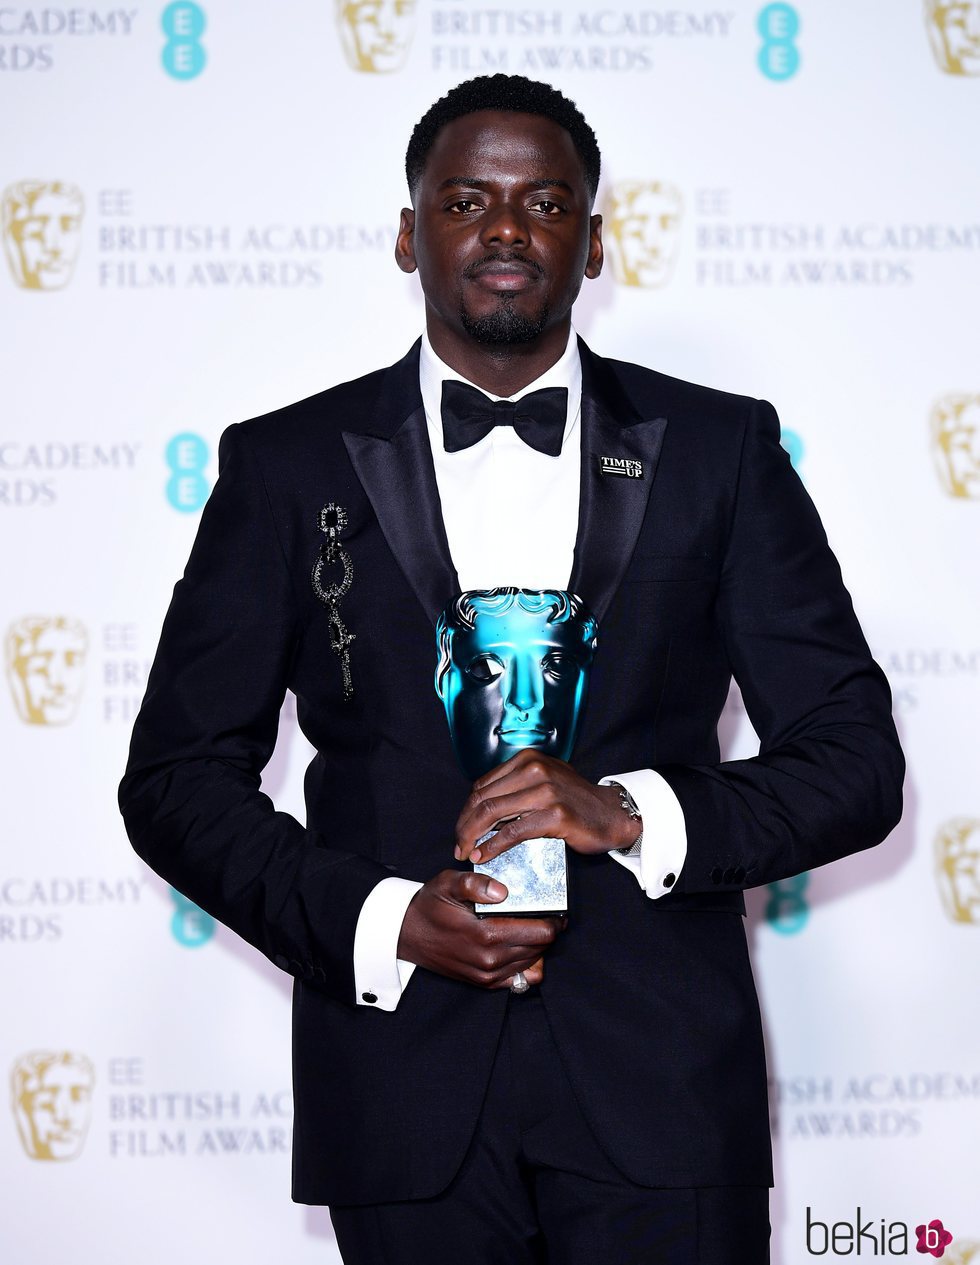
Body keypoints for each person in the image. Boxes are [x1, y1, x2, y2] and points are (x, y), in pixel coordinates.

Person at [119, 75, 904, 1263]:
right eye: (464, 200)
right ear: (406, 233)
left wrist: (631, 809)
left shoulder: (719, 450)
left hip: (661, 1083)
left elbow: (852, 760)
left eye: (542, 202)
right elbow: (175, 777)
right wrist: (382, 920)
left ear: (591, 245)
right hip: (397, 1087)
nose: (502, 228)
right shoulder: (281, 466)